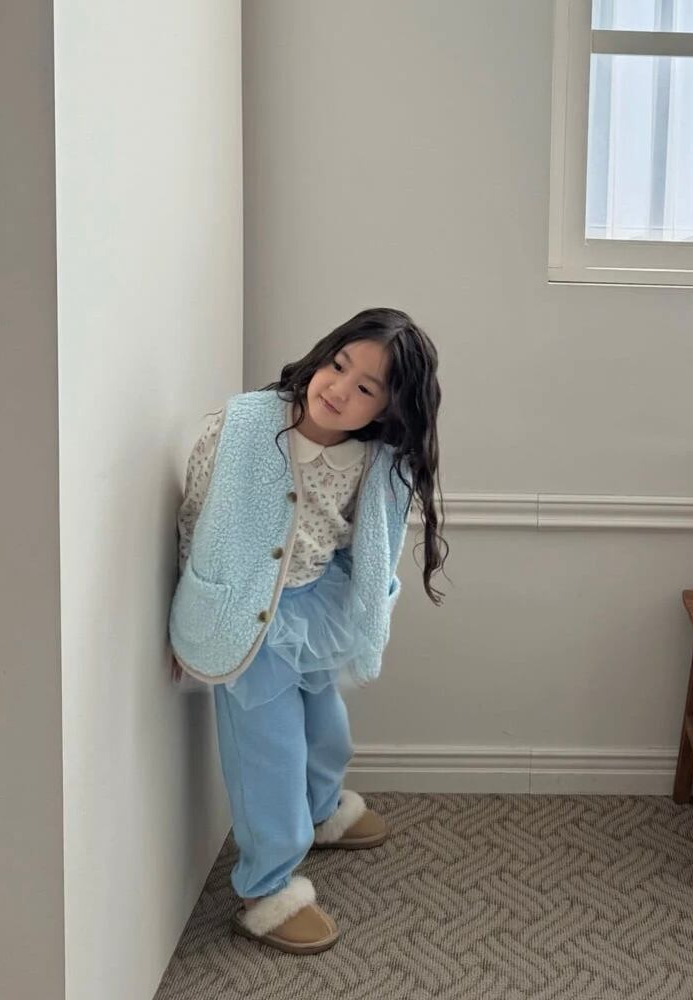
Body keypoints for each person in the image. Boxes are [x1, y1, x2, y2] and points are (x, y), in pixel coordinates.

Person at [168, 307, 448, 954]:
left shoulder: (373, 460)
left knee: (326, 730)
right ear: (324, 352)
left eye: (365, 387)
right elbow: (196, 517)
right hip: (243, 617)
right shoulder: (244, 426)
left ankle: (324, 809)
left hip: (312, 610)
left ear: (388, 407)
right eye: (338, 365)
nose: (339, 389)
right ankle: (265, 887)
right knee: (268, 754)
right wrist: (192, 617)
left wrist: (361, 605)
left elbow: (362, 543)